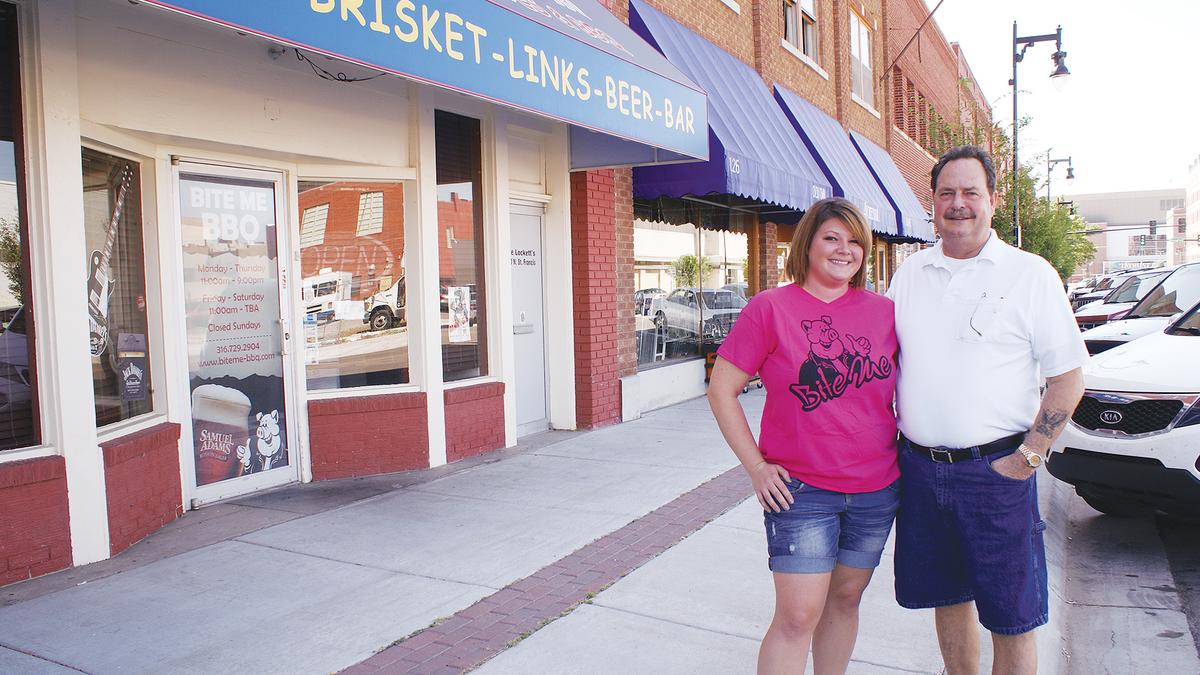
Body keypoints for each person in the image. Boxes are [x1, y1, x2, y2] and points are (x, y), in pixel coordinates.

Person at [887, 145, 1086, 675]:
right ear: (931, 201)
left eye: (970, 192)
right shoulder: (908, 275)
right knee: (947, 599)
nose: (958, 204)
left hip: (996, 472)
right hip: (922, 473)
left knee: (1012, 617)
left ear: (993, 200)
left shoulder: (1030, 274)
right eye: (946, 193)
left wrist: (1030, 455)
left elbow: (1067, 378)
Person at [708, 198, 899, 675]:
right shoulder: (771, 308)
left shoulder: (885, 313)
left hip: (876, 488)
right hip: (802, 491)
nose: (844, 250)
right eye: (832, 237)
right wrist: (755, 466)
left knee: (846, 599)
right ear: (807, 243)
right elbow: (721, 390)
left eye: (855, 241)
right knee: (797, 616)